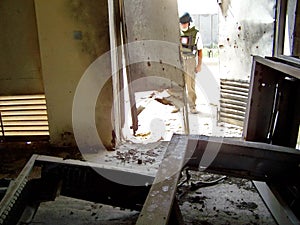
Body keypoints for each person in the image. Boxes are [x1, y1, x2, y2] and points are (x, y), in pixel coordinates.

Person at [179, 12, 203, 114]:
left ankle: (192, 106)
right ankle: (178, 105)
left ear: (189, 23)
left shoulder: (196, 33)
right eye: (182, 23)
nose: (183, 25)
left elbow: (200, 50)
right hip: (179, 60)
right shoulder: (176, 33)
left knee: (190, 84)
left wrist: (199, 65)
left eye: (185, 23)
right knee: (177, 84)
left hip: (190, 60)